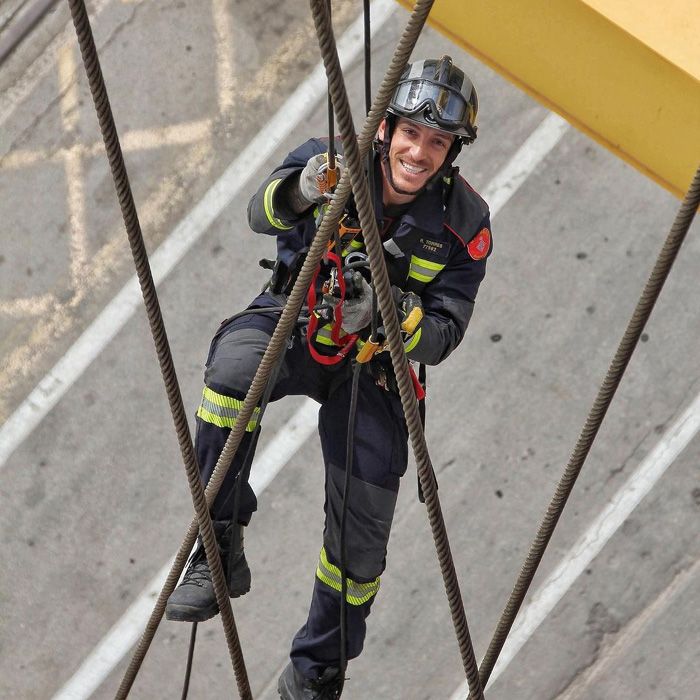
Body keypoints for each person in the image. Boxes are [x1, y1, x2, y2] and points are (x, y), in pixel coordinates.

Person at [165, 55, 492, 699]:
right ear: (389, 130)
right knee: (233, 369)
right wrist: (303, 189)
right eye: (410, 134)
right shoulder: (332, 157)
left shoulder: (465, 226)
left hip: (373, 372)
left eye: (436, 142)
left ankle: (316, 672)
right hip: (299, 321)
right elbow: (262, 214)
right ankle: (218, 541)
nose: (419, 152)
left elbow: (444, 335)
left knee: (359, 544)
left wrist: (396, 313)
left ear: (451, 151)